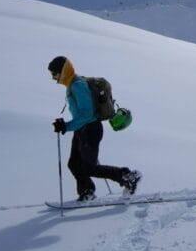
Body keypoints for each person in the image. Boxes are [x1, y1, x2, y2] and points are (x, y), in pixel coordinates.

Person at [48, 56, 141, 202]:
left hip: (90, 130)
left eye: (54, 74)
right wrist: (67, 125)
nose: (53, 78)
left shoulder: (77, 85)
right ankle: (87, 192)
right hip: (82, 130)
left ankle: (128, 177)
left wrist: (66, 126)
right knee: (74, 164)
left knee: (89, 168)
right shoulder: (72, 84)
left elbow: (87, 114)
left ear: (63, 71)